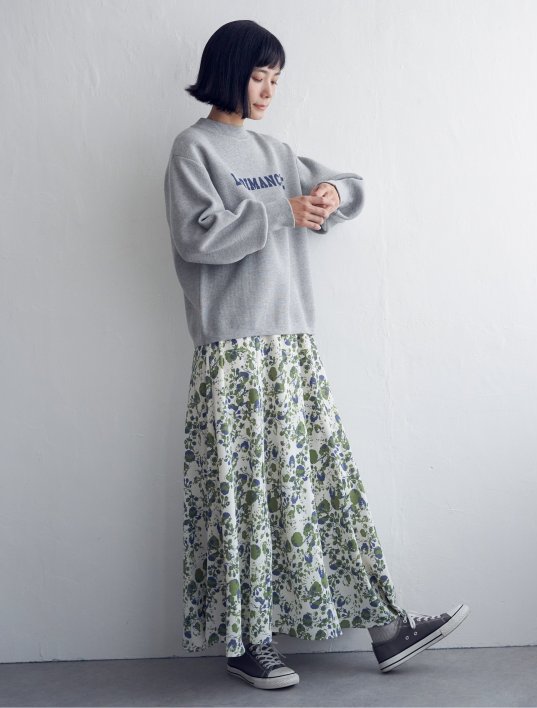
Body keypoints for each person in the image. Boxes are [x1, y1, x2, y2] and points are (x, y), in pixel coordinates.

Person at [164, 19, 470, 691]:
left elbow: (348, 189)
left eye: (276, 79)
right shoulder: (194, 149)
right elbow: (197, 238)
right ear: (228, 72)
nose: (268, 90)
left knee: (325, 489)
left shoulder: (275, 150)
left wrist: (329, 194)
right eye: (259, 76)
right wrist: (281, 211)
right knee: (245, 498)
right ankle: (249, 644)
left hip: (293, 346)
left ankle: (386, 630)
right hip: (233, 352)